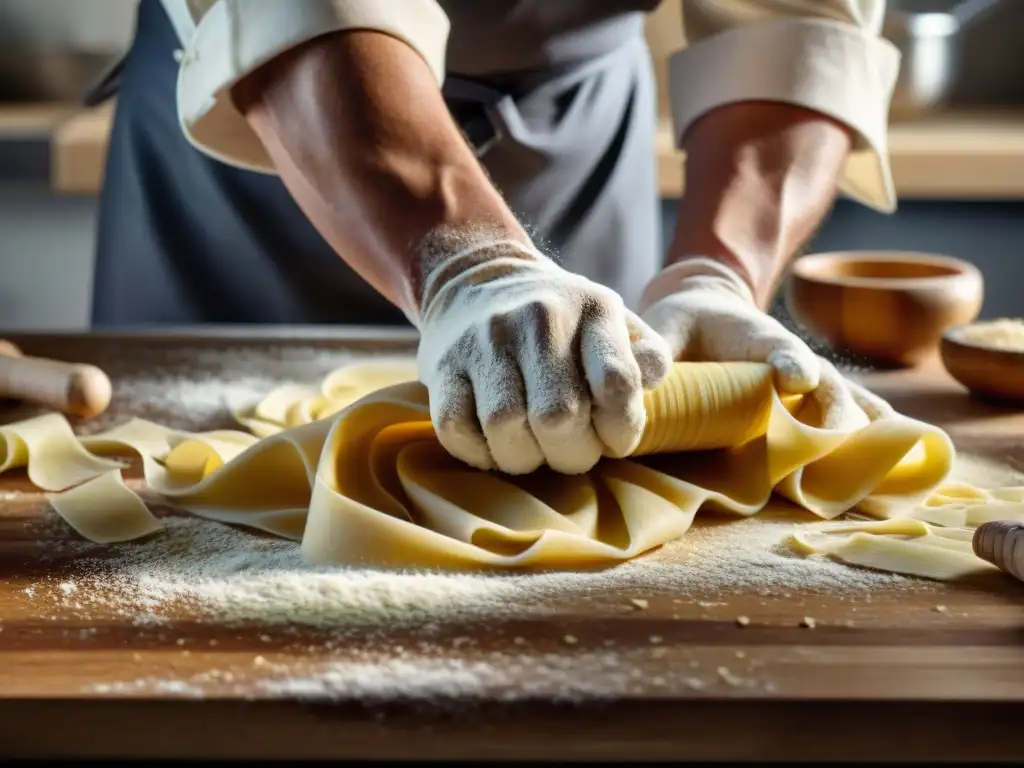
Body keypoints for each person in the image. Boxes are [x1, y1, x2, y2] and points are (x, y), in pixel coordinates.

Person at [91, 0, 901, 475]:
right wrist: (471, 264)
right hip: (266, 123)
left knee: (581, 442)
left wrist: (715, 272)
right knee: (189, 468)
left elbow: (795, 24)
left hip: (573, 133)